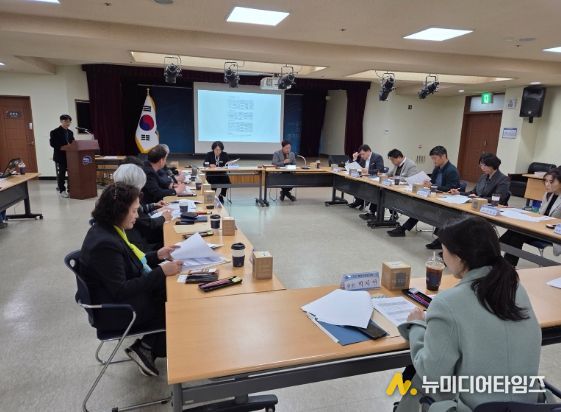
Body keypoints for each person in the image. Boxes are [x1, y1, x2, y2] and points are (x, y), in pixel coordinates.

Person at [394, 216, 541, 412]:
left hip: (476, 407)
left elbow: (432, 373)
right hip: (527, 406)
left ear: (459, 257)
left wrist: (416, 326)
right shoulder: (514, 287)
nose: (442, 256)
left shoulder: (447, 303)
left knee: (416, 374)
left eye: (444, 250)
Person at [80, 183, 183, 376]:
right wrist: (161, 272)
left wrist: (158, 255)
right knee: (177, 304)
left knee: (174, 291)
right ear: (119, 211)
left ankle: (148, 347)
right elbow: (121, 290)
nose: (137, 215)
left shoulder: (110, 230)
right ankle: (148, 348)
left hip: (115, 298)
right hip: (116, 310)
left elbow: (132, 263)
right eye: (134, 211)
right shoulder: (105, 244)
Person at [387, 145, 460, 249]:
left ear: (443, 156)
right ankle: (403, 229)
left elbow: (451, 188)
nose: (433, 161)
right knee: (419, 207)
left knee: (435, 212)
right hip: (435, 196)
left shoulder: (451, 170)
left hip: (447, 201)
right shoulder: (437, 168)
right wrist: (427, 183)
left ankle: (441, 240)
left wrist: (433, 186)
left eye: (435, 158)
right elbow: (432, 182)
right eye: (432, 159)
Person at [500, 168, 561, 266]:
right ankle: (506, 263)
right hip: (539, 228)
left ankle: (496, 251)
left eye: (551, 182)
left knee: (517, 234)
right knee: (515, 230)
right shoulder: (548, 194)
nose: (547, 184)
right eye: (546, 181)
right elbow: (541, 213)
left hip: (552, 233)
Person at [113, 163, 171, 251]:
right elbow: (146, 223)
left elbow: (140, 210)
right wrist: (163, 217)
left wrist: (153, 206)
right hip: (140, 245)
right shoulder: (126, 202)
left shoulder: (115, 195)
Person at [346, 145, 384, 222]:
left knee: (374, 191)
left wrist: (368, 171)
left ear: (368, 151)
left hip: (374, 179)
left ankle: (372, 212)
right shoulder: (363, 158)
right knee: (353, 183)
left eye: (363, 154)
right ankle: (359, 201)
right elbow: (357, 167)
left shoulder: (377, 157)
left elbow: (381, 170)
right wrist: (354, 159)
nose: (362, 156)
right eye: (361, 154)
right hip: (364, 178)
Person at [49, 114, 75, 198]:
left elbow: (73, 143)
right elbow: (52, 144)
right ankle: (62, 190)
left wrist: (73, 146)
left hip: (71, 156)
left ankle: (70, 189)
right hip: (60, 156)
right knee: (62, 174)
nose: (68, 123)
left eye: (69, 122)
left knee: (72, 173)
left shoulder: (70, 132)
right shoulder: (54, 132)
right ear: (61, 121)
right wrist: (64, 146)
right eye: (66, 121)